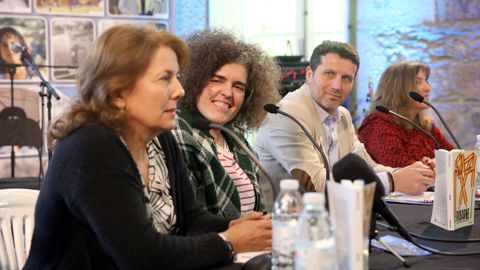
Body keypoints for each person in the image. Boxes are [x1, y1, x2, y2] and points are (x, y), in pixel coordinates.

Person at [24, 25, 271, 270]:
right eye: (165, 78)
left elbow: (192, 218)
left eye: (176, 77)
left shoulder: (161, 140)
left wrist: (235, 227)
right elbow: (140, 256)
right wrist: (228, 242)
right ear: (119, 91)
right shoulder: (90, 146)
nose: (179, 90)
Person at [255, 40, 435, 196]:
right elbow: (316, 186)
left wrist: (414, 174)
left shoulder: (343, 115)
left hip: (334, 217)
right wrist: (392, 181)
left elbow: (368, 168)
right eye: (329, 74)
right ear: (309, 74)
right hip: (285, 225)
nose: (337, 86)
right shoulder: (287, 116)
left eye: (346, 78)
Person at [171, 29, 281, 218]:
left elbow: (259, 208)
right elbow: (189, 224)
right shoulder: (179, 134)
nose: (227, 93)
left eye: (238, 87)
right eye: (217, 80)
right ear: (193, 80)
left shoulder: (234, 137)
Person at [358, 61, 454, 168]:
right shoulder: (378, 124)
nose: (428, 88)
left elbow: (454, 156)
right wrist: (436, 165)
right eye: (418, 82)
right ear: (398, 88)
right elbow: (399, 169)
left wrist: (436, 163)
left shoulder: (425, 125)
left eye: (426, 81)